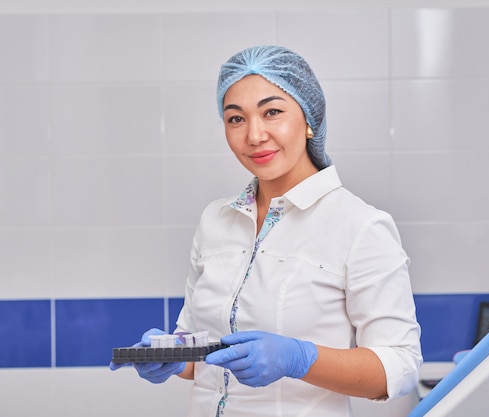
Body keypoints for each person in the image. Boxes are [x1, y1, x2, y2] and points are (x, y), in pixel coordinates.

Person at [111, 45, 422, 417]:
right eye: (235, 119)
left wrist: (300, 359)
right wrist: (176, 357)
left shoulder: (360, 226)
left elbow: (399, 367)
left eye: (272, 112)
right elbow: (204, 354)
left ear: (309, 119)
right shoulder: (215, 221)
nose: (254, 135)